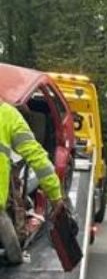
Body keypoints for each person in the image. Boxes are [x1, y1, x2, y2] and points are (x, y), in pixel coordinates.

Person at [0, 101, 66, 265]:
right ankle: (15, 258)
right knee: (14, 255)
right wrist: (55, 196)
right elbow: (39, 160)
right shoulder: (8, 115)